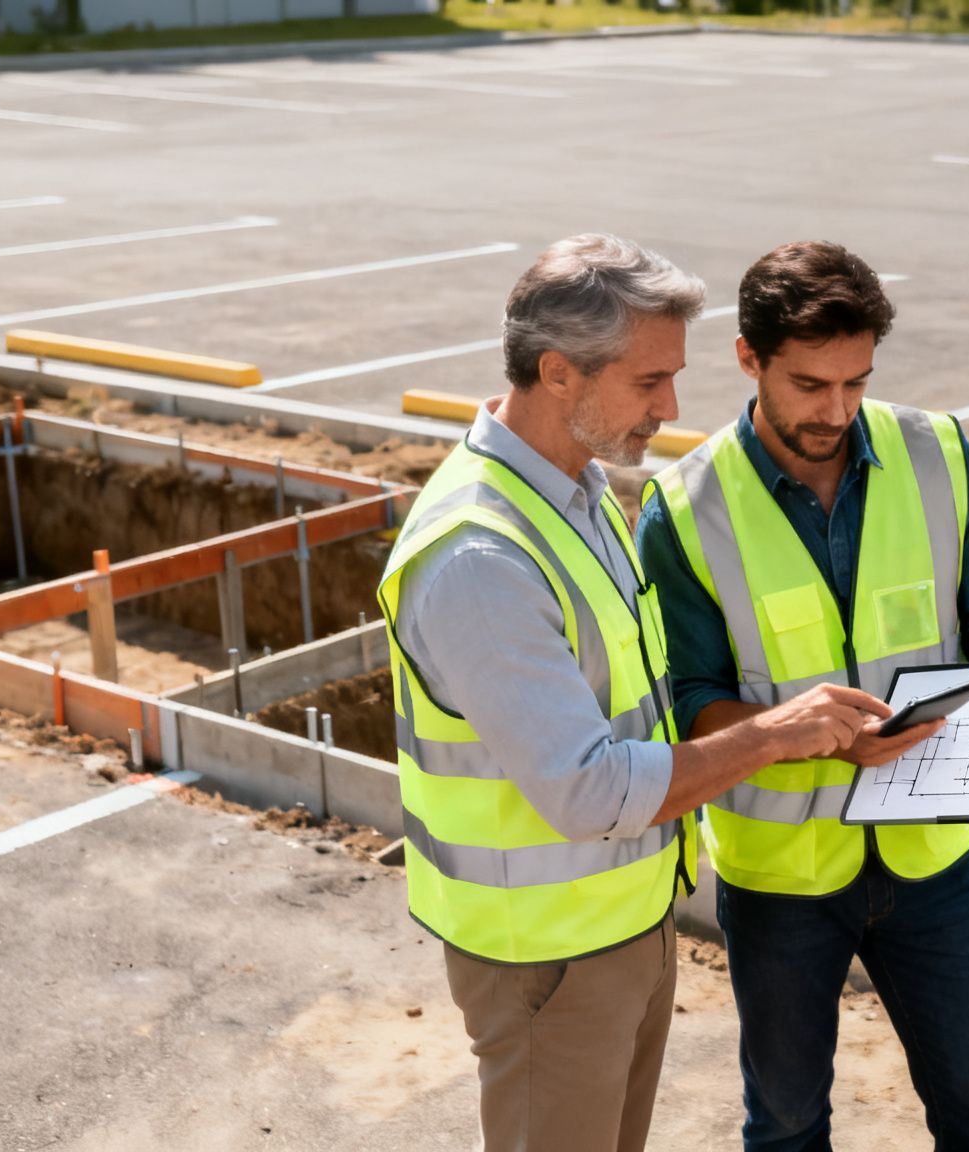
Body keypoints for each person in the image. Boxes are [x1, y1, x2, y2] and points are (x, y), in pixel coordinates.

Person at [375, 234, 921, 1152]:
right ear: (558, 372)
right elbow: (587, 789)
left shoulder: (577, 493)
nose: (672, 408)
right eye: (647, 381)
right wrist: (775, 736)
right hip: (545, 955)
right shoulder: (482, 558)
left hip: (617, 924)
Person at [638, 240, 969, 1151]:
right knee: (785, 1126)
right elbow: (692, 699)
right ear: (748, 357)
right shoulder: (685, 508)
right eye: (810, 385)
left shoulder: (935, 453)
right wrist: (804, 736)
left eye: (855, 383)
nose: (837, 411)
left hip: (931, 860)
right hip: (783, 882)